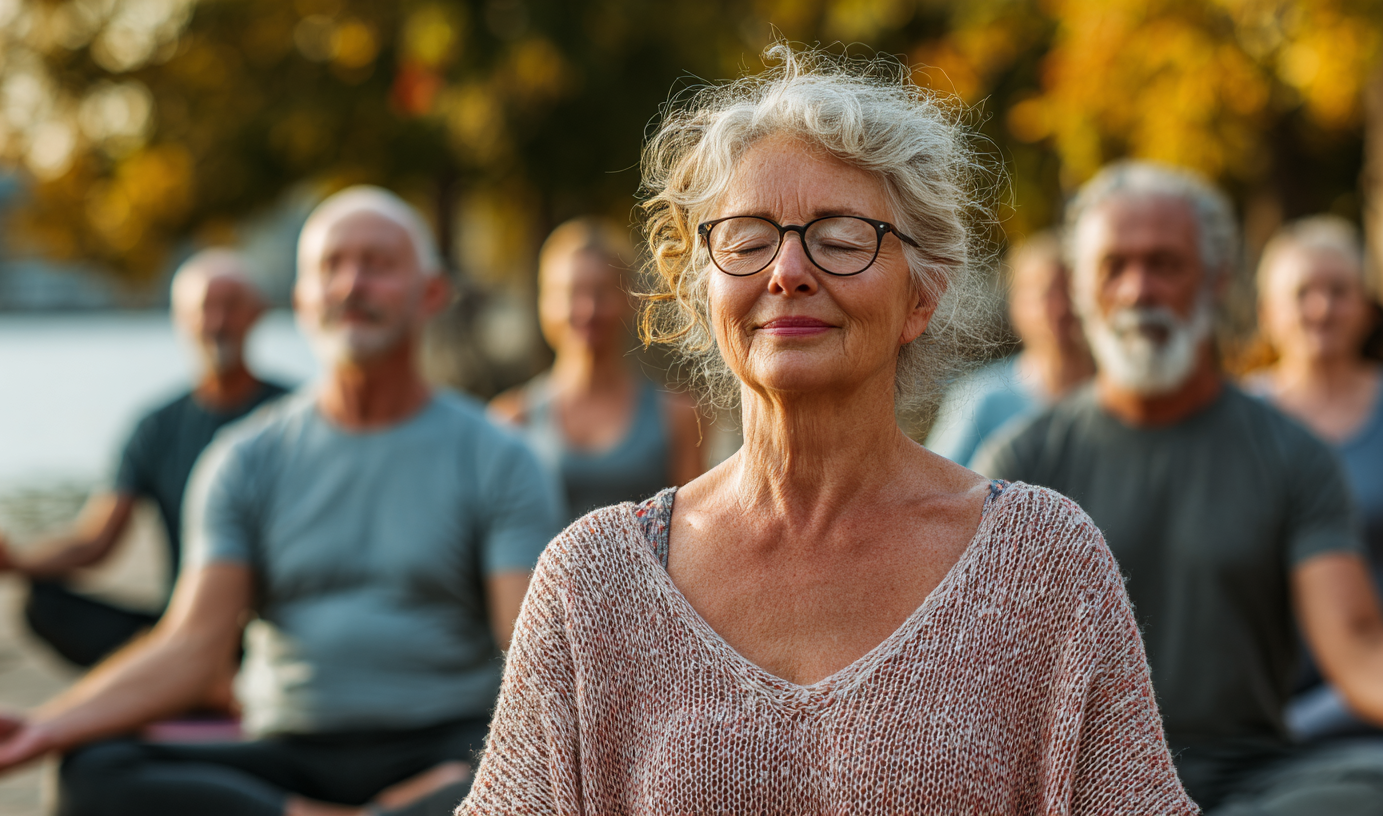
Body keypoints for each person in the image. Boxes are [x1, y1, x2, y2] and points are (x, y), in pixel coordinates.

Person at [458, 47, 1195, 815]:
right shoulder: (591, 587)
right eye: (746, 239)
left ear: (923, 294)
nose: (787, 271)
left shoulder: (1045, 565)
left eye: (842, 238)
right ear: (704, 289)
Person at [0, 186, 565, 816]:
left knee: (530, 782)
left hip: (445, 746)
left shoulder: (497, 456)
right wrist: (43, 727)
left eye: (377, 264)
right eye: (330, 267)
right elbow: (192, 645)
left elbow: (526, 651)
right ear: (302, 299)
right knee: (92, 772)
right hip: (288, 749)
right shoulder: (246, 459)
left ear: (431, 294)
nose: (351, 284)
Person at [974, 161, 1383, 814]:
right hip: (1078, 788)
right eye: (1115, 266)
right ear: (1081, 288)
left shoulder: (1294, 454)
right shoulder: (1023, 458)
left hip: (1249, 784)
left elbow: (1358, 644)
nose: (1140, 290)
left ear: (1217, 280)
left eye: (1165, 263)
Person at [0, 249, 288, 669]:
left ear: (256, 313)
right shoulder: (157, 426)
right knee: (46, 602)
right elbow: (96, 539)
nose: (216, 322)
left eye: (230, 306)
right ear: (180, 319)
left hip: (275, 625)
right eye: (204, 308)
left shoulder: (294, 418)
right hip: (183, 624)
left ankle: (186, 679)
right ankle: (179, 675)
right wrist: (18, 562)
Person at [1247, 216, 1383, 742]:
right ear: (1267, 313)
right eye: (1303, 292)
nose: (1322, 308)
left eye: (1339, 291)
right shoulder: (1238, 422)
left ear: (1367, 308)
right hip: (1268, 710)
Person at [489, 217, 705, 523]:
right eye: (571, 293)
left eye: (602, 292)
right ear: (544, 304)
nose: (587, 309)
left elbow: (694, 532)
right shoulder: (510, 421)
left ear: (630, 300)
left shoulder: (679, 416)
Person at [925, 232, 1093, 465]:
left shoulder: (1120, 397)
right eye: (1044, 294)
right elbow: (936, 482)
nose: (1060, 308)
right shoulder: (981, 399)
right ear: (1016, 306)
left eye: (1069, 291)